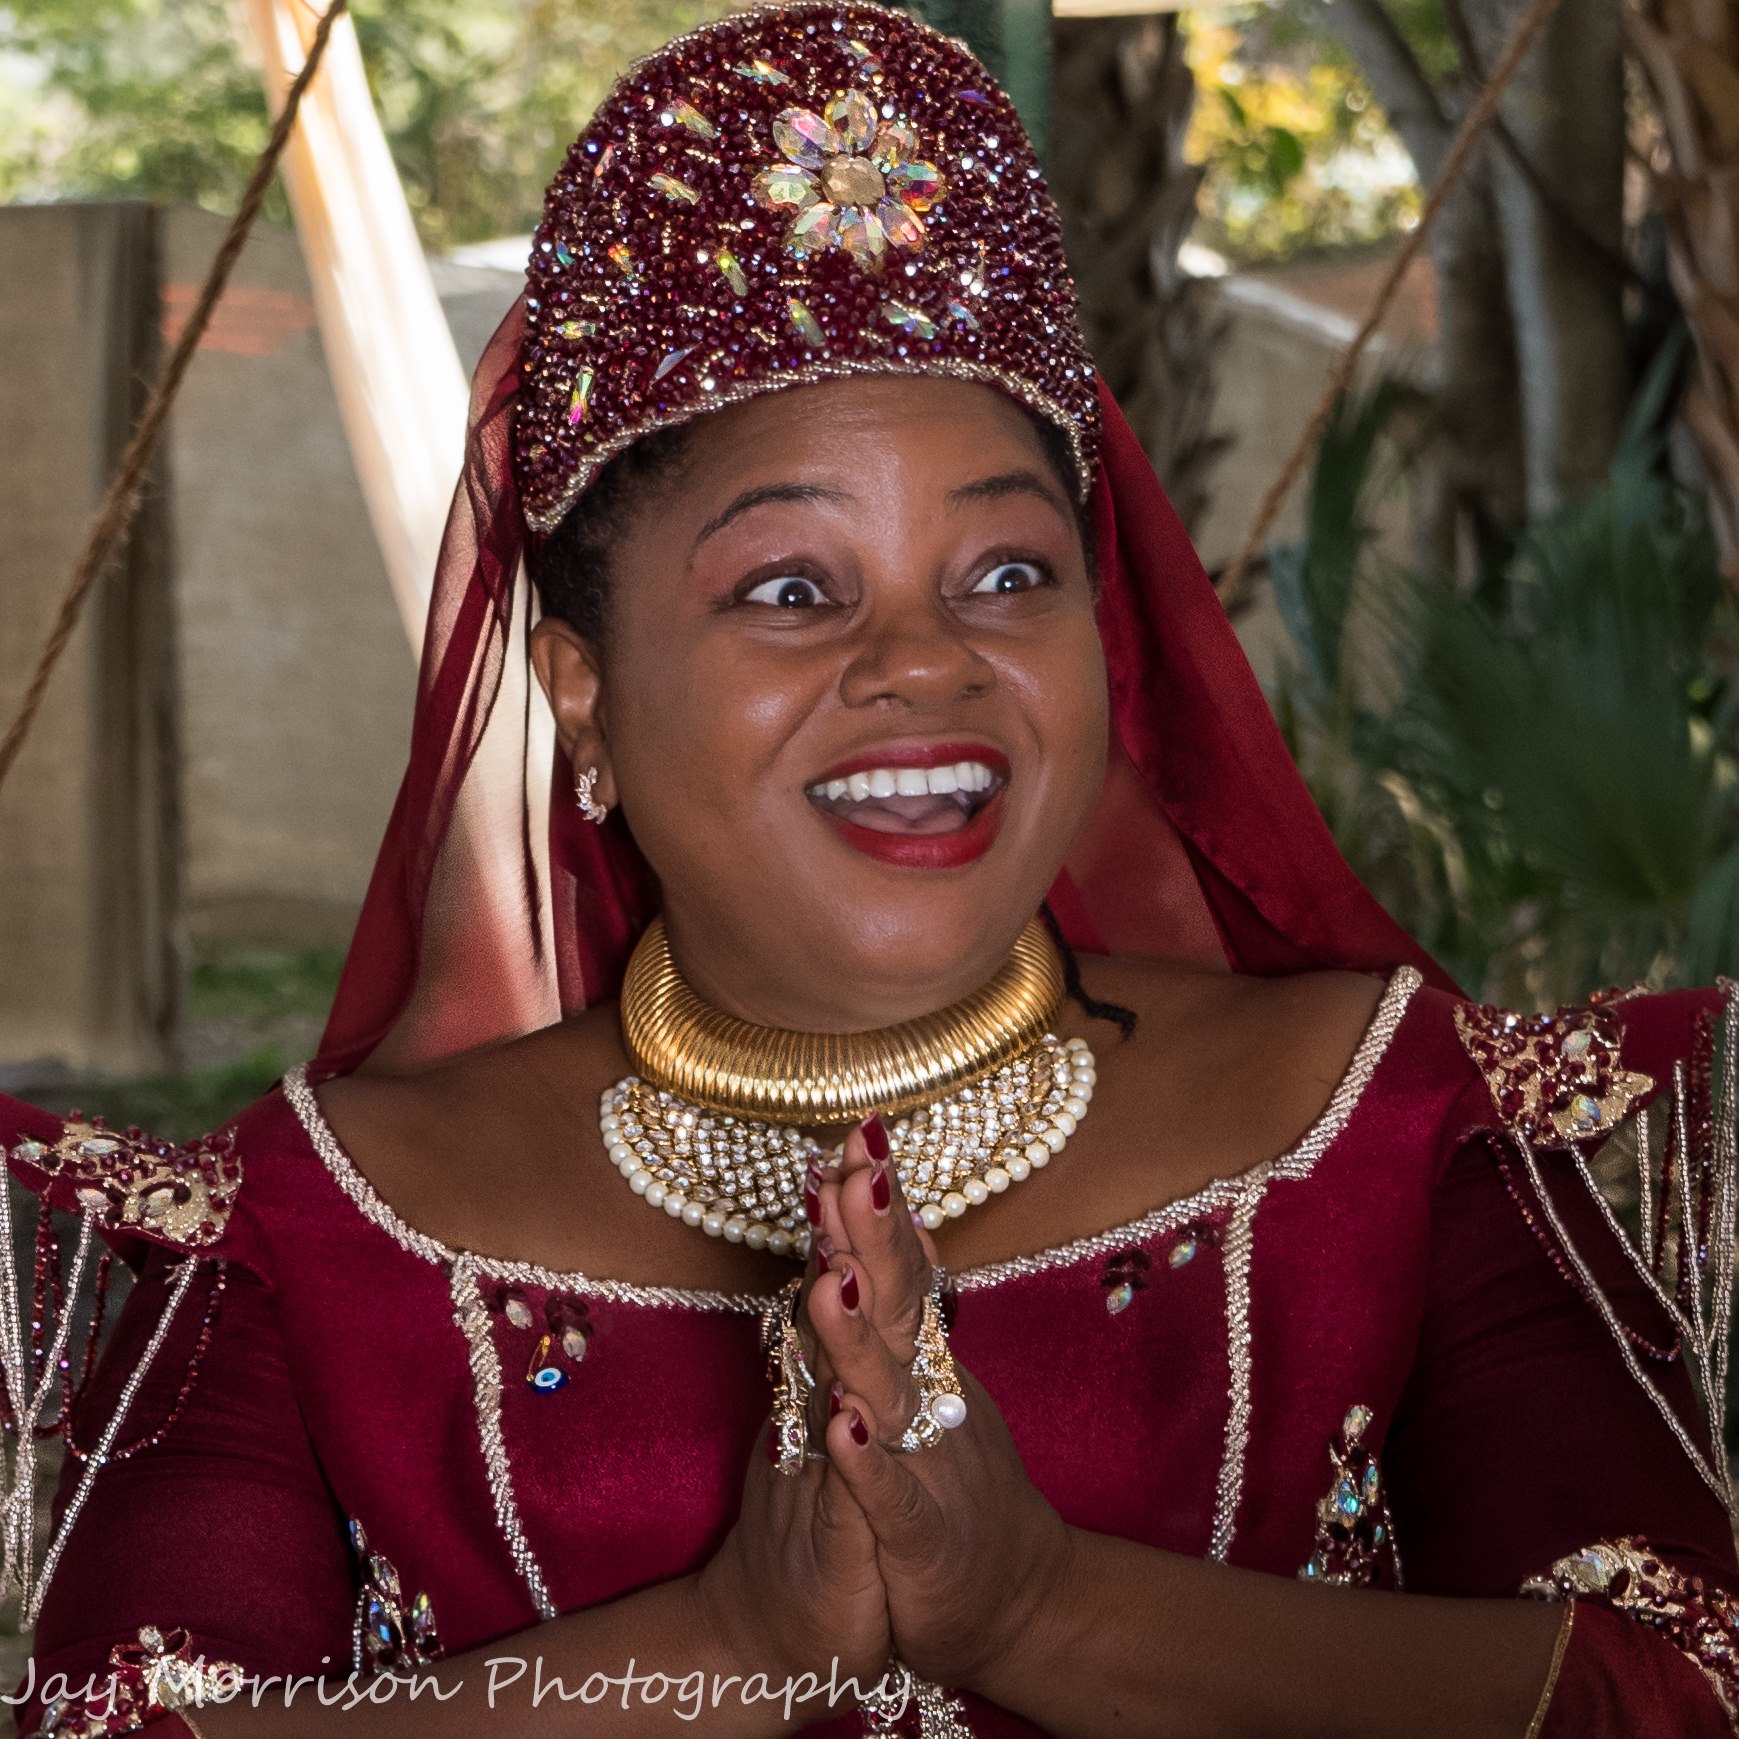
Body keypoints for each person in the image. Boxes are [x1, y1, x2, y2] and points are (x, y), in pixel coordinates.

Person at [4, 5, 1737, 1736]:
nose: (924, 660)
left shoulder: (1380, 1125)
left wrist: (1039, 1605)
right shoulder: (318, 1226)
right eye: (790, 590)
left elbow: (1674, 1691)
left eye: (1005, 575)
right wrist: (737, 1643)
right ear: (581, 690)